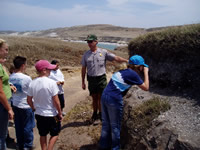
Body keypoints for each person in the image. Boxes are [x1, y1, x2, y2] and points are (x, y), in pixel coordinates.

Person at [99, 55, 149, 150]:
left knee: (106, 124)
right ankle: (115, 148)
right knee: (115, 127)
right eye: (142, 66)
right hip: (114, 99)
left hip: (104, 95)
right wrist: (146, 73)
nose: (143, 68)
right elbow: (146, 87)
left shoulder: (124, 71)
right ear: (139, 66)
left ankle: (103, 146)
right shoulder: (133, 74)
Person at [81, 34, 128, 123]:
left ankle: (101, 114)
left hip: (101, 79)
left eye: (91, 41)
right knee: (94, 97)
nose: (89, 43)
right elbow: (83, 69)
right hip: (91, 79)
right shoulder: (86, 55)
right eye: (88, 42)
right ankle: (94, 114)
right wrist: (83, 82)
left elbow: (116, 58)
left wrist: (126, 60)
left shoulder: (103, 52)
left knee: (101, 97)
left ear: (96, 42)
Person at [27, 60, 63, 150]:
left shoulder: (32, 83)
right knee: (55, 133)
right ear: (44, 70)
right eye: (49, 69)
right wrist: (60, 112)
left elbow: (28, 99)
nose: (50, 71)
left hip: (39, 114)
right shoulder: (51, 83)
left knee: (42, 134)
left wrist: (33, 108)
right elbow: (56, 101)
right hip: (51, 114)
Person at [9, 56, 35, 150]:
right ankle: (27, 145)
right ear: (23, 65)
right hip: (26, 105)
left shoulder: (10, 77)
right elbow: (32, 92)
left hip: (15, 104)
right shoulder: (27, 78)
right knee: (28, 126)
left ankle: (19, 144)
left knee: (18, 126)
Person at [0, 39, 14, 150]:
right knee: (1, 135)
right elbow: (0, 92)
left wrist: (8, 84)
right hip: (2, 104)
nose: (7, 52)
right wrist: (9, 108)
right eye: (5, 49)